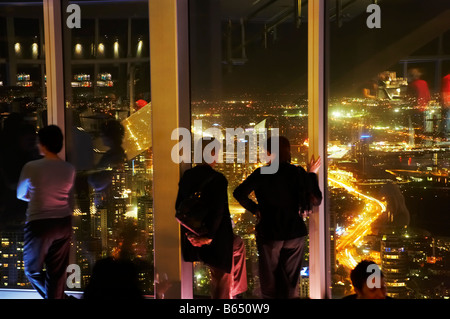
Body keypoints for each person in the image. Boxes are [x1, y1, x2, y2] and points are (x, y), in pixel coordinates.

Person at [233, 136, 322, 299]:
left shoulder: (262, 172)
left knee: (269, 285)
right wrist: (311, 175)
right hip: (294, 232)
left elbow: (238, 193)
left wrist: (256, 209)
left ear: (269, 153)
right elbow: (317, 199)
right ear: (288, 152)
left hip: (270, 232)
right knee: (290, 282)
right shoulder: (297, 172)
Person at [175, 138, 247, 299]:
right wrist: (208, 238)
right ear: (212, 154)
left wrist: (192, 235)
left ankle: (235, 292)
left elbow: (179, 208)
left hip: (191, 237)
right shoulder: (218, 179)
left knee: (238, 244)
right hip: (215, 239)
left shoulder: (187, 176)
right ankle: (235, 293)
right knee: (221, 279)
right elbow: (218, 212)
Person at [17, 125, 76, 299]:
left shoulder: (31, 167)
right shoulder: (69, 169)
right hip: (63, 222)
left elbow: (21, 194)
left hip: (39, 223)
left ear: (42, 144)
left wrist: (36, 195)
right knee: (56, 275)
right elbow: (64, 193)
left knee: (32, 270)